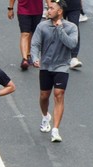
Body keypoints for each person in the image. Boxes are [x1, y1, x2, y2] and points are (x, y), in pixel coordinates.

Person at [30, 0, 78, 144]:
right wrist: (35, 58)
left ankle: (55, 130)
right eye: (48, 8)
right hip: (46, 66)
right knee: (44, 96)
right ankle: (45, 116)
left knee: (59, 94)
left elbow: (72, 44)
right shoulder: (42, 26)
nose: (48, 11)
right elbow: (35, 44)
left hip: (62, 66)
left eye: (51, 8)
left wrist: (60, 29)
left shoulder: (71, 27)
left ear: (59, 11)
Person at [7, 0, 43, 70]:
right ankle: (24, 59)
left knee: (32, 33)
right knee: (25, 34)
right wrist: (10, 8)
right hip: (23, 10)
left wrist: (50, 7)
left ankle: (28, 54)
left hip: (37, 10)